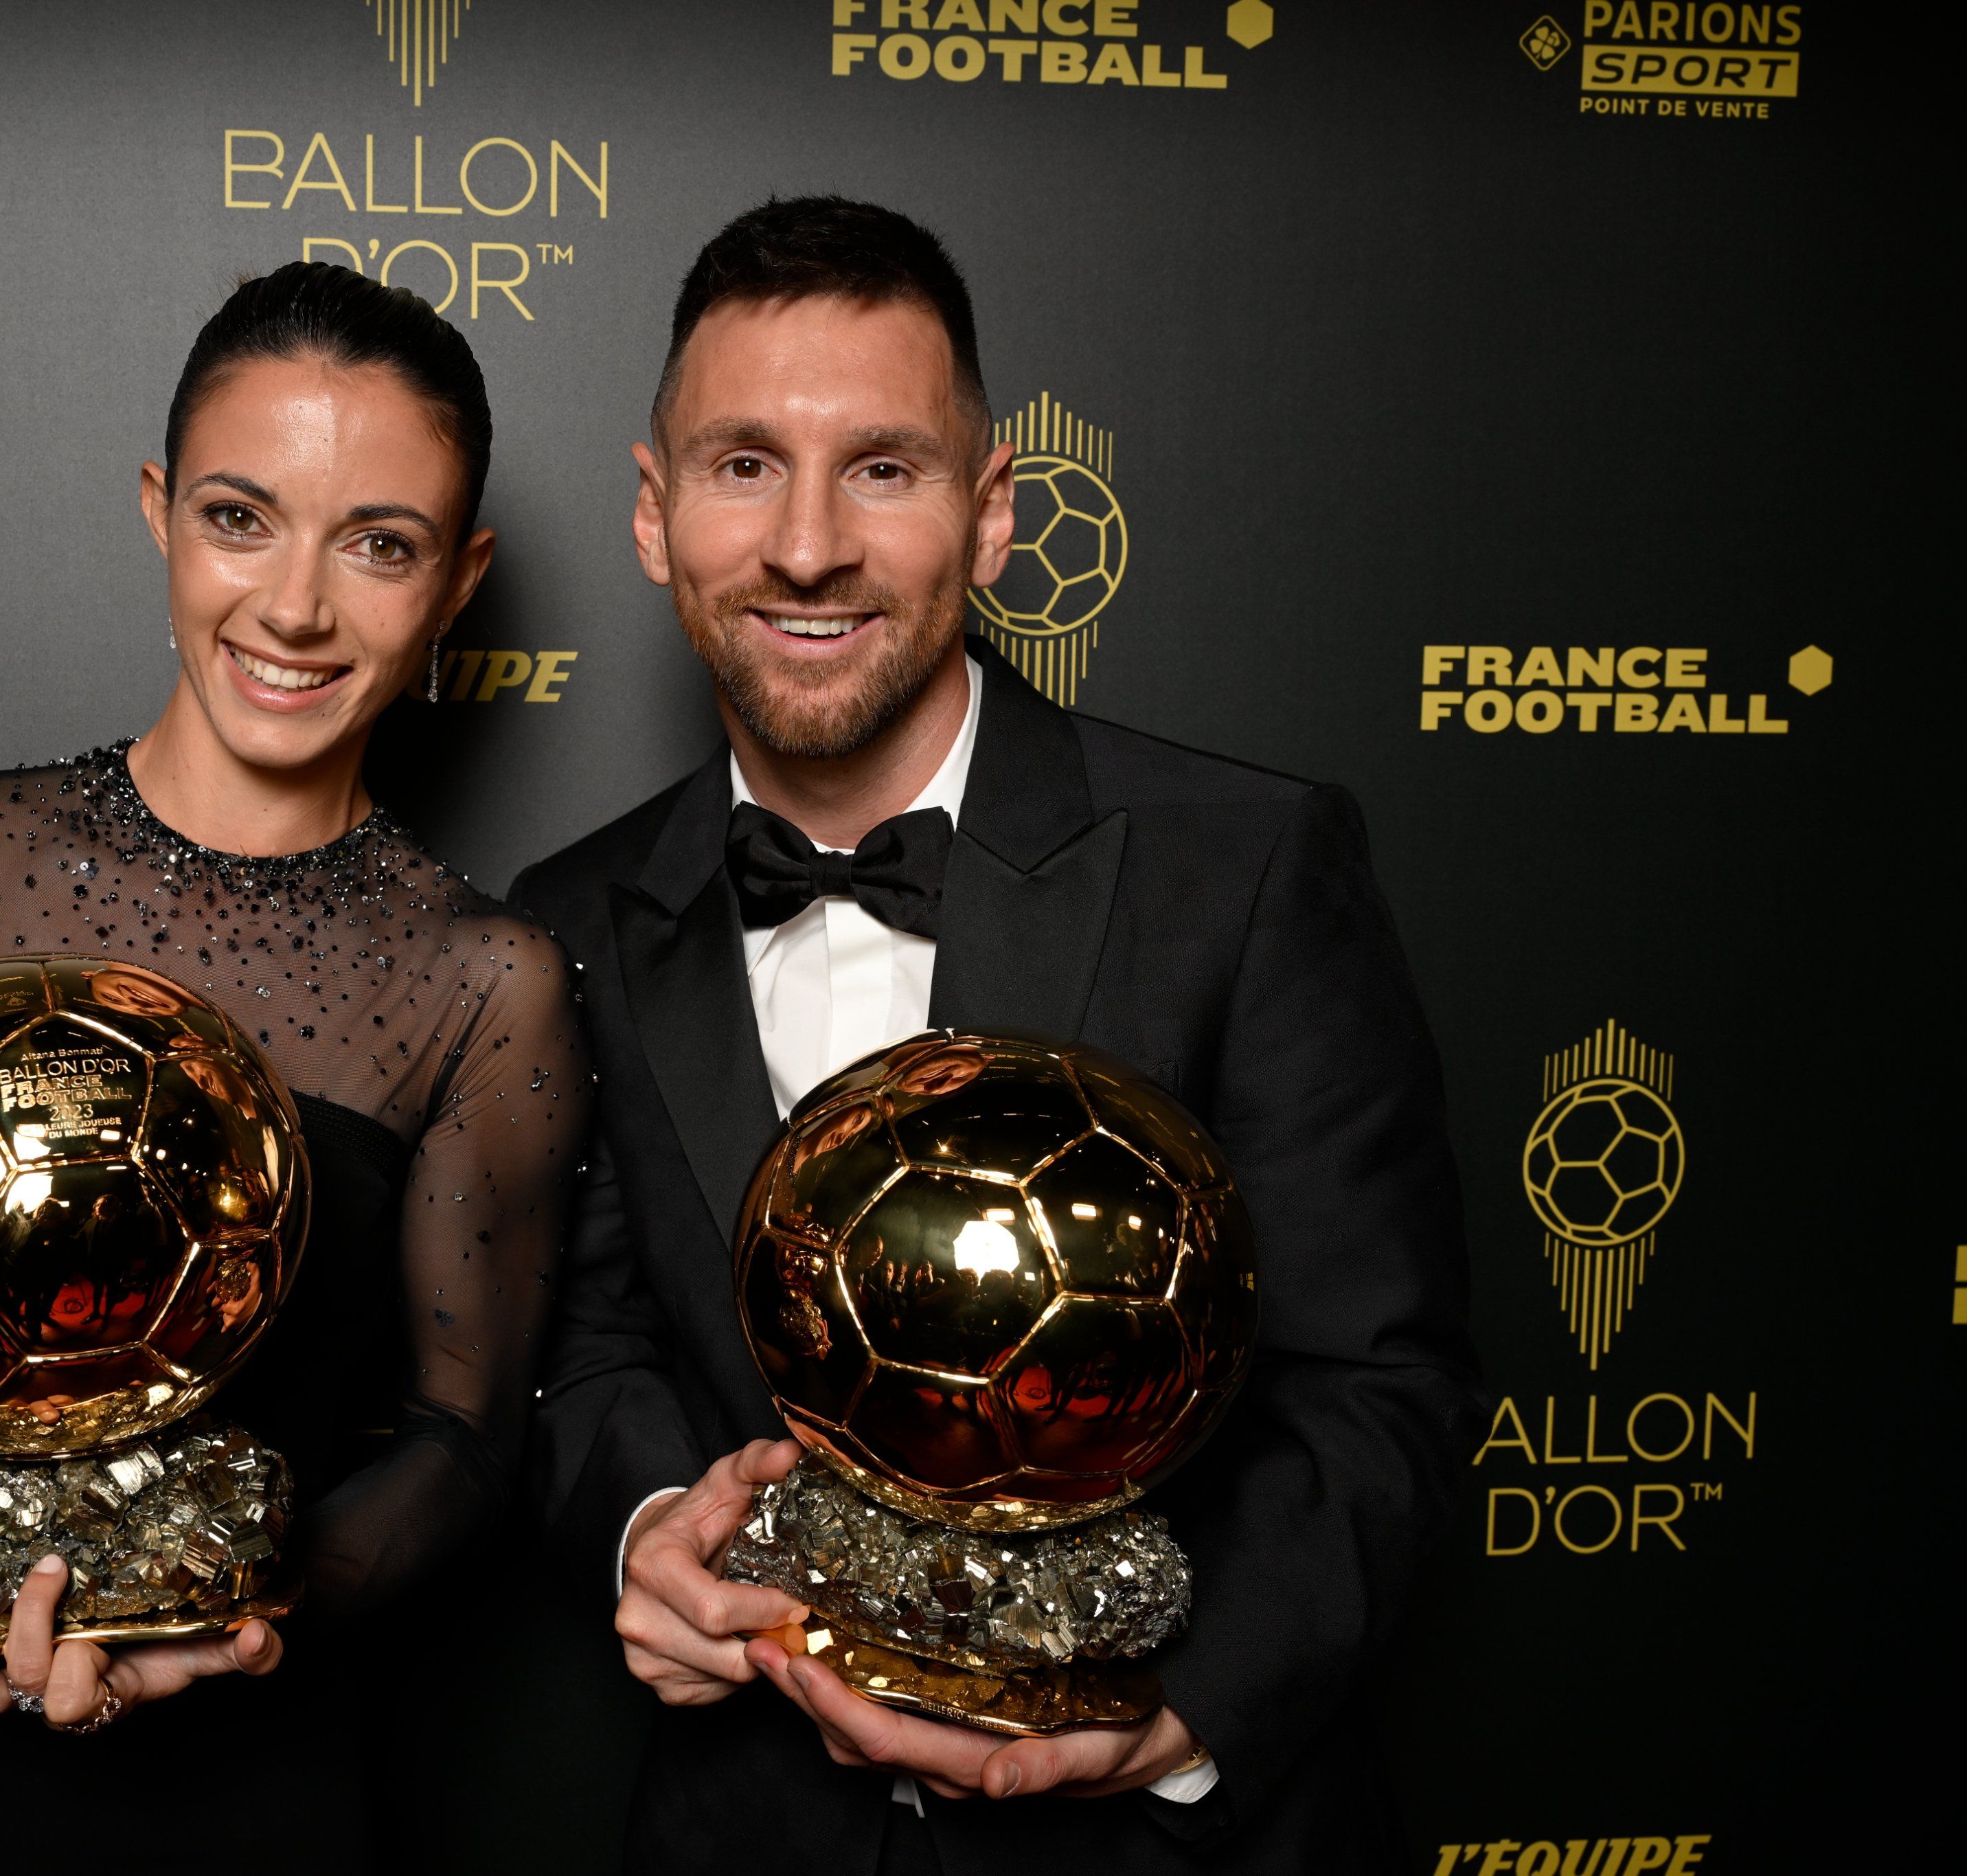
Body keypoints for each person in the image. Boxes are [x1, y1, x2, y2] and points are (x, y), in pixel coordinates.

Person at [510, 198, 1481, 1874]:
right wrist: (653, 1530)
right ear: (655, 518)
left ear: (991, 516)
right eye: (743, 466)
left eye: (880, 467)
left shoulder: (1246, 864)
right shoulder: (571, 912)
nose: (806, 542)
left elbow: (1378, 1382)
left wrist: (1180, 1707)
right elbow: (586, 1347)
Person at [0, 262, 589, 1866]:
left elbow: (462, 1442)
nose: (295, 605)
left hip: (226, 1785)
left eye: (378, 544)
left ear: (457, 579)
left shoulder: (478, 980)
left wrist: (235, 1615)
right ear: (158, 509)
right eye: (242, 516)